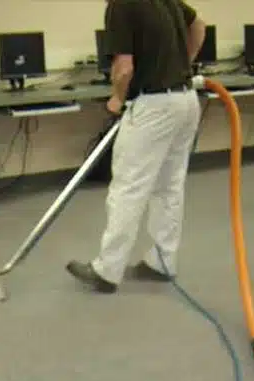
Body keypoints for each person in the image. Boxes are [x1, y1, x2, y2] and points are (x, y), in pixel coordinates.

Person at [66, 0, 206, 293]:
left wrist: (117, 98)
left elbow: (124, 68)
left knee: (128, 188)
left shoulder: (120, 4)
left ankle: (107, 270)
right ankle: (162, 262)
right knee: (169, 186)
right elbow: (198, 27)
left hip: (153, 105)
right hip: (185, 99)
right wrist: (181, 65)